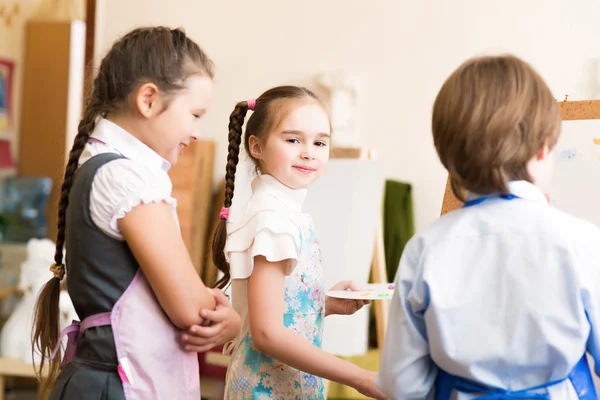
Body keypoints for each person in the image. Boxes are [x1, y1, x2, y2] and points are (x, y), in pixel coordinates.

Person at [32, 26, 240, 400]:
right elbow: (191, 310)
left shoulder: (105, 165)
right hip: (118, 386)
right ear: (148, 99)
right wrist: (228, 316)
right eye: (194, 114)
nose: (195, 132)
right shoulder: (127, 177)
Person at [376, 54, 600, 399]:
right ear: (543, 148)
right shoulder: (582, 241)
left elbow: (400, 383)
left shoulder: (426, 248)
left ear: (448, 156)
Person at [212, 85, 388, 399]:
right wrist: (361, 378)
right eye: (293, 139)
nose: (309, 151)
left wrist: (325, 305)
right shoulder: (272, 219)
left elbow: (271, 311)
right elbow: (266, 333)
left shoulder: (283, 211)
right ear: (257, 146)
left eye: (320, 142)